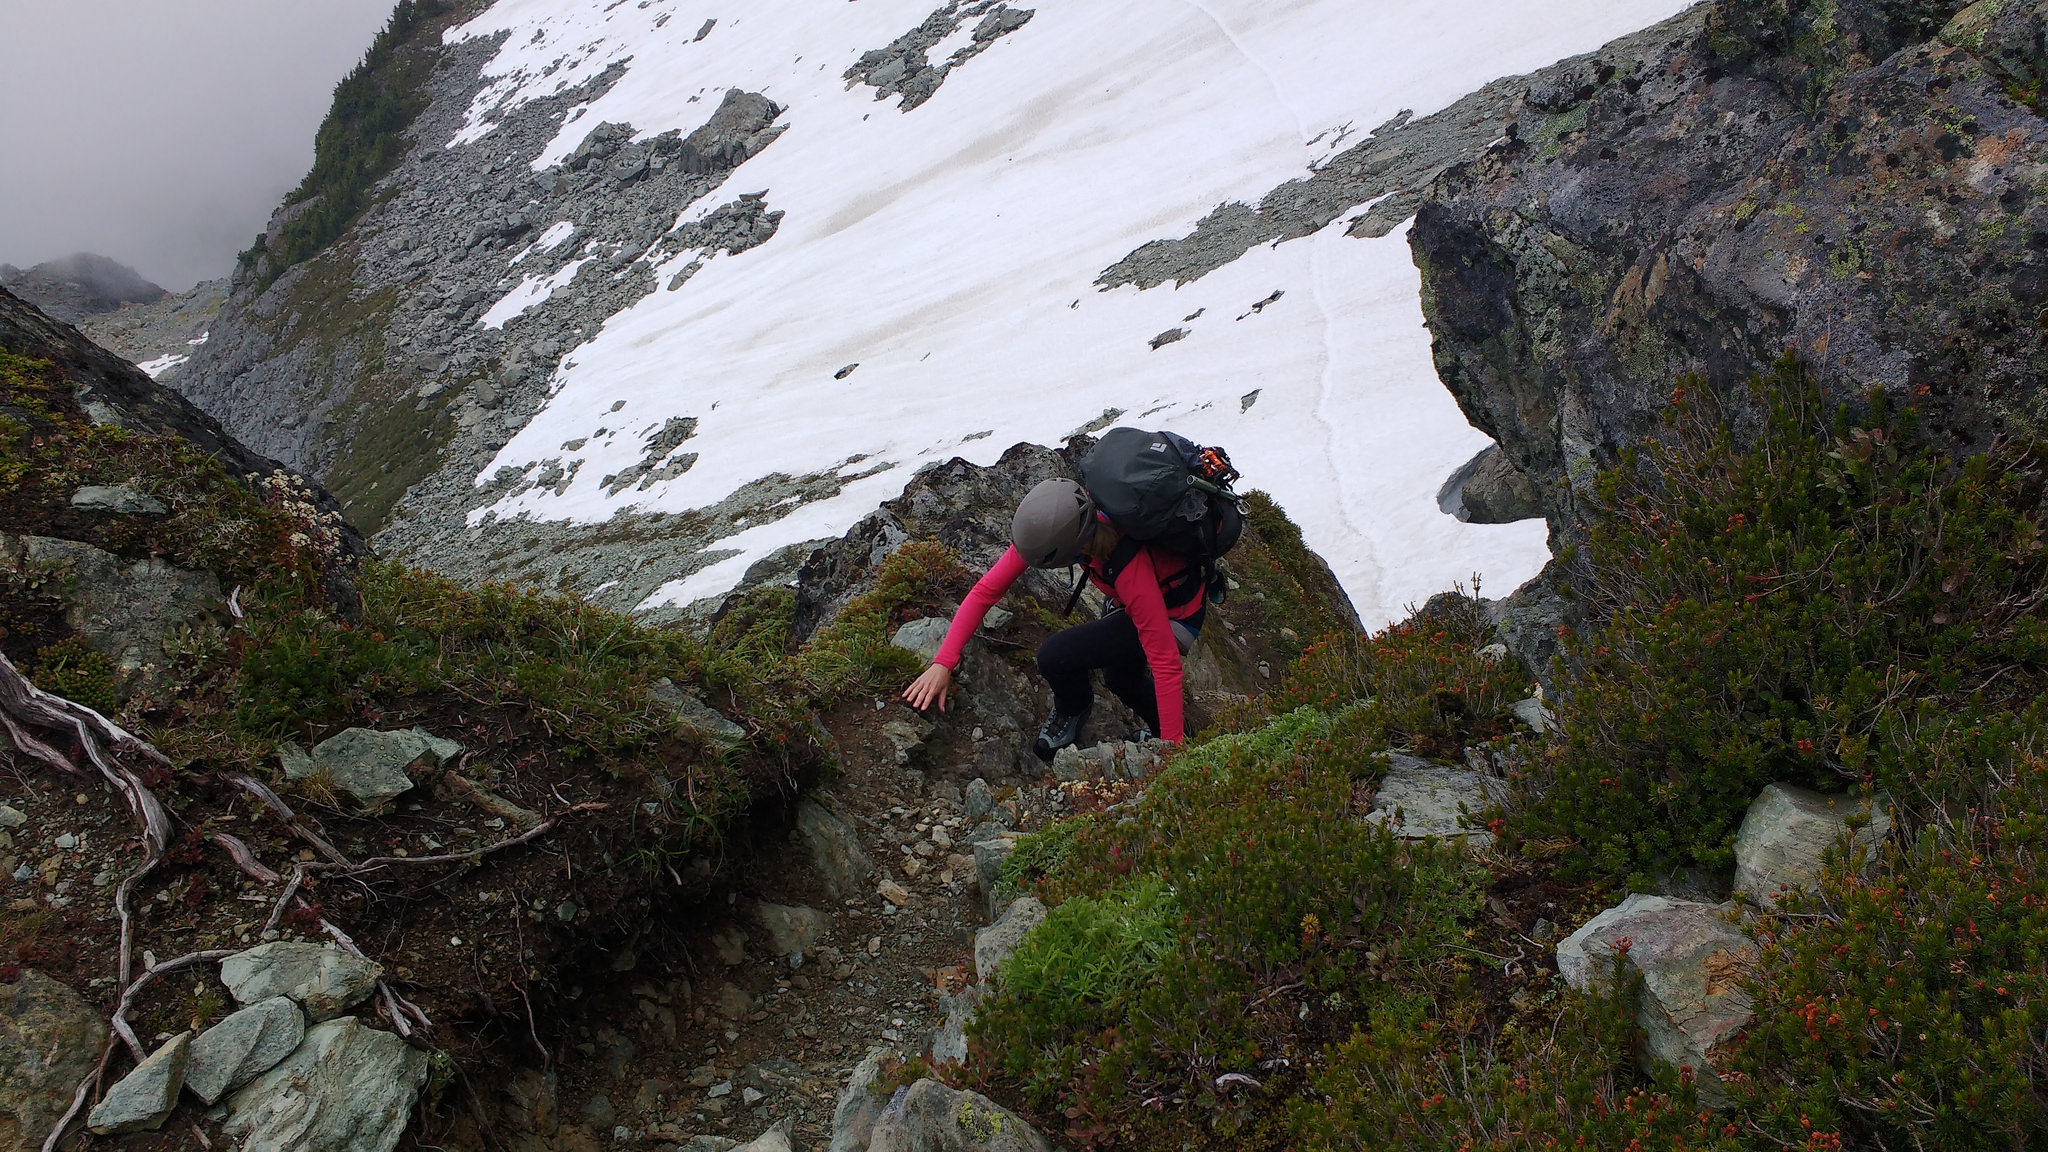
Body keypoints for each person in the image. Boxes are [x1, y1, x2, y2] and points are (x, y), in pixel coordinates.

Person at [901, 478, 1205, 760]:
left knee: (1056, 656)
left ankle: (1164, 735)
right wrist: (943, 662)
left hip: (1175, 614)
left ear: (1074, 550)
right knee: (1119, 676)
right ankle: (1163, 728)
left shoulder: (1127, 569)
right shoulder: (1064, 525)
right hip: (1136, 597)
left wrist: (1172, 755)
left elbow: (1165, 663)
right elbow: (985, 591)